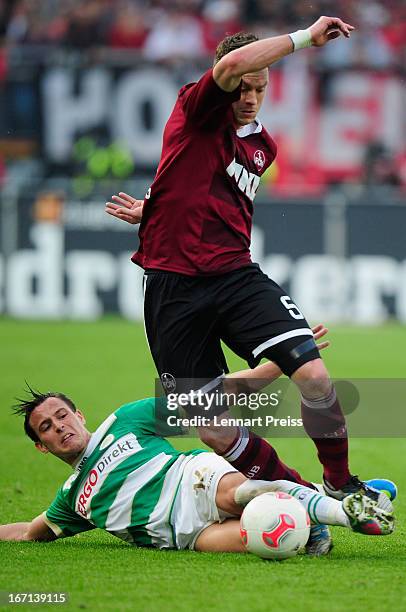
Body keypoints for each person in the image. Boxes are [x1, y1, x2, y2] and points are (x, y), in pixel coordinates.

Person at [105, 16, 392, 542]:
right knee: (211, 423)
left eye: (260, 88)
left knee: (316, 378)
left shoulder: (264, 148)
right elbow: (232, 68)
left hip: (236, 275)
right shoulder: (197, 108)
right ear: (226, 78)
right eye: (244, 86)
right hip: (172, 286)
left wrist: (156, 207)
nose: (251, 97)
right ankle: (301, 498)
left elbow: (208, 197)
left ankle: (339, 482)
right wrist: (306, 38)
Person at [0, 384, 394, 552]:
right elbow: (28, 533)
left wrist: (278, 364)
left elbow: (205, 399)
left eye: (62, 415)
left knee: (245, 494)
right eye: (47, 428)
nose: (60, 427)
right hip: (182, 535)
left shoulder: (124, 421)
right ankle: (326, 508)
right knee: (264, 540)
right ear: (40, 446)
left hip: (193, 480)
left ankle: (348, 513)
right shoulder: (70, 499)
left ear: (79, 414)